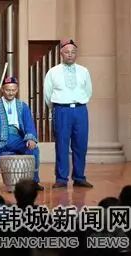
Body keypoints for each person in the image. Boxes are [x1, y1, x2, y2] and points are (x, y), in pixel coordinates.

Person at [44, 39, 93, 189]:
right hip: (61, 110)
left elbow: (88, 91)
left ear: (76, 54)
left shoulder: (84, 71)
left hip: (80, 110)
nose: (70, 55)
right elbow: (47, 94)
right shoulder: (53, 72)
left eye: (73, 52)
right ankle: (61, 178)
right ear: (61, 54)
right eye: (67, 52)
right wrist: (57, 107)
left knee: (81, 145)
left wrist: (78, 101)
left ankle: (79, 177)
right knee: (62, 145)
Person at [0, 76, 42, 192]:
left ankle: (34, 182)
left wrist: (31, 138)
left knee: (34, 149)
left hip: (17, 138)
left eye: (13, 90)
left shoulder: (22, 106)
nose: (10, 93)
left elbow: (29, 124)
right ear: (2, 90)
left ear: (17, 90)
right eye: (8, 90)